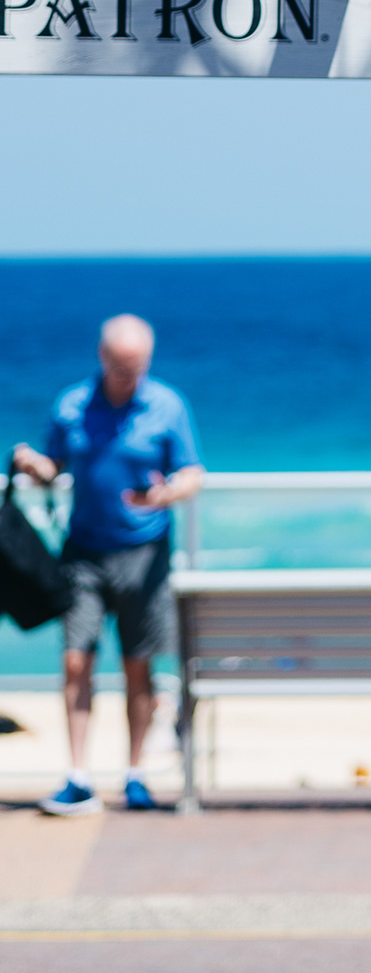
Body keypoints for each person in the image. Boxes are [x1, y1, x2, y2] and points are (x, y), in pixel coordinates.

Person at [9, 314, 204, 817]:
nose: (128, 377)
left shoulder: (167, 405)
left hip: (144, 552)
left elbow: (192, 472)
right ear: (103, 359)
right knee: (77, 659)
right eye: (121, 367)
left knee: (138, 666)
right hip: (84, 551)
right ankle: (77, 776)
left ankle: (135, 775)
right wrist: (34, 465)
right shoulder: (72, 404)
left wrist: (166, 495)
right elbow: (57, 466)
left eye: (137, 367)